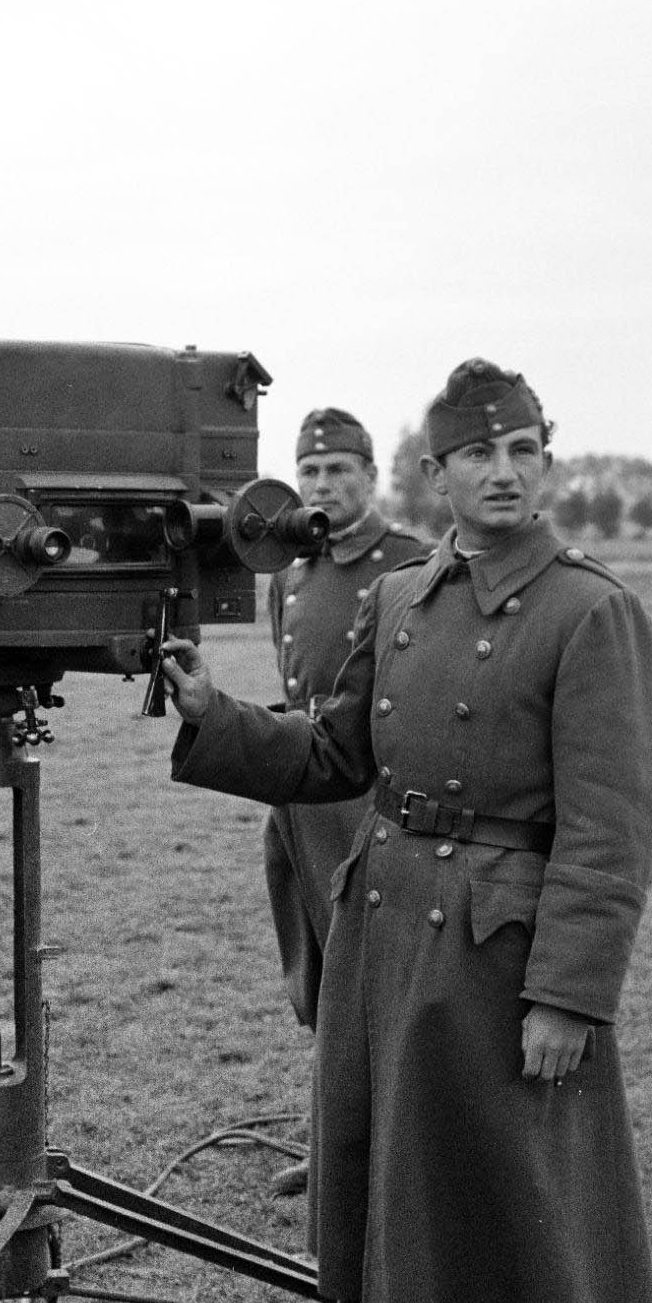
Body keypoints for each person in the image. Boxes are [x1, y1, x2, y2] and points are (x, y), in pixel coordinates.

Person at [162, 359, 652, 1303]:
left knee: (499, 1166)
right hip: (383, 908)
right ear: (437, 475)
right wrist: (214, 715)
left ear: (547, 460)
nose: (505, 471)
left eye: (523, 450)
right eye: (479, 454)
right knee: (367, 1138)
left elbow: (612, 830)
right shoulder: (400, 597)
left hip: (495, 936)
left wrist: (570, 994)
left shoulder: (590, 612)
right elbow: (334, 754)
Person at [263, 409, 427, 1195]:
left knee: (375, 977)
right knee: (317, 970)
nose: (322, 486)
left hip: (368, 796)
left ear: (370, 475)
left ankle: (389, 1150)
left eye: (338, 470)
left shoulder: (410, 563)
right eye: (310, 472)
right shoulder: (290, 571)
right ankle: (333, 1140)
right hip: (299, 791)